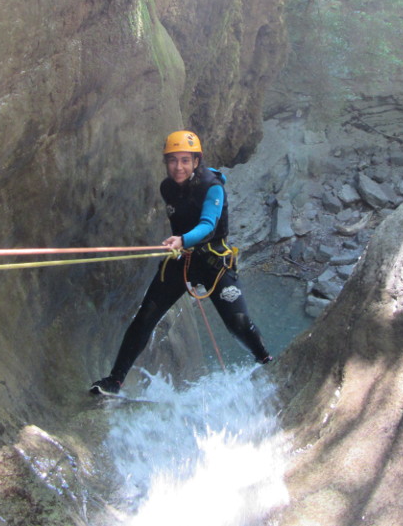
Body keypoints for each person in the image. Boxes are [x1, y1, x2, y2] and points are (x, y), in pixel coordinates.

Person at [90, 130, 272, 396]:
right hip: (182, 261)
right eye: (173, 160)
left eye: (185, 160)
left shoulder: (213, 187)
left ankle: (266, 362)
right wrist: (181, 245)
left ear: (196, 161)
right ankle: (114, 381)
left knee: (239, 323)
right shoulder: (167, 188)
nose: (179, 167)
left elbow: (208, 225)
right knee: (144, 318)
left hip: (213, 262)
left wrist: (182, 240)